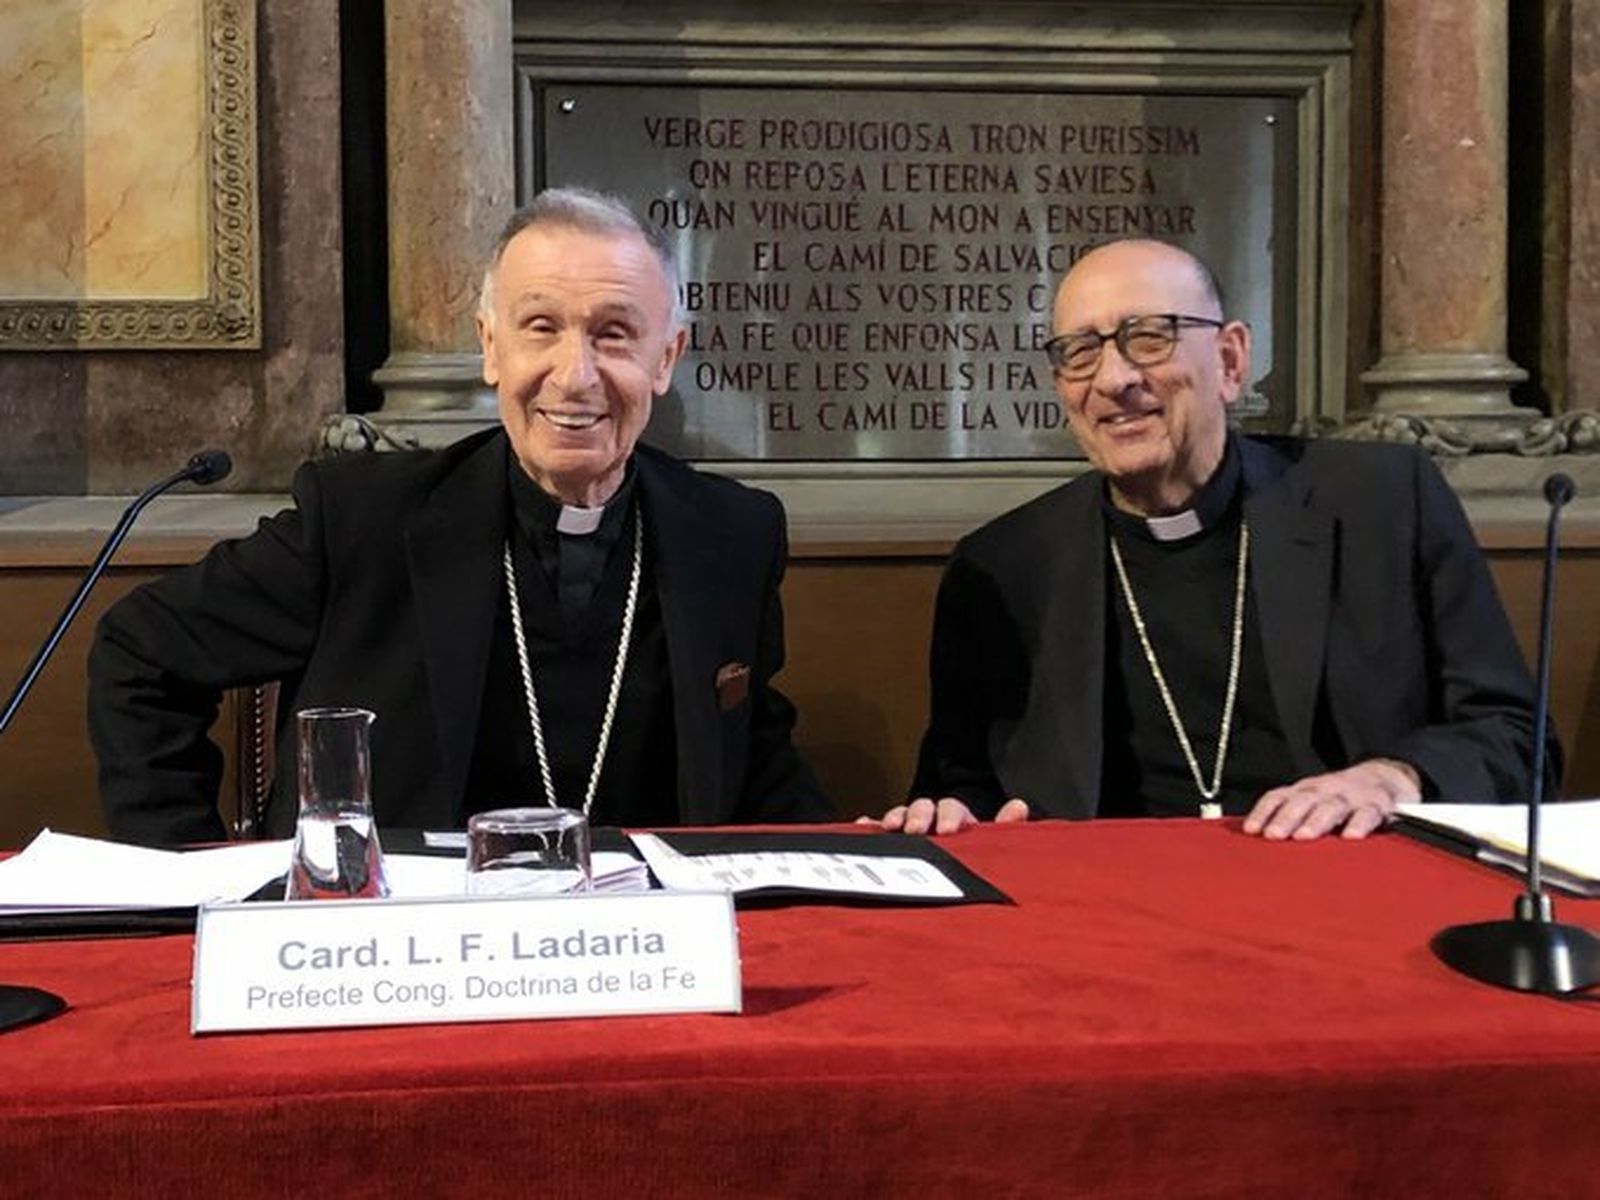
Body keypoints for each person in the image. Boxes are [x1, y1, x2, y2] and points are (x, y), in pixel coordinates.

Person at [90, 187, 830, 845]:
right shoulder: (362, 521)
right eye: (540, 327)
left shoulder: (731, 533)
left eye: (613, 334)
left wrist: (873, 842)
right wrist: (182, 874)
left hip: (638, 950)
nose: (575, 376)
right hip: (402, 952)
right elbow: (140, 653)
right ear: (490, 348)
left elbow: (752, 761)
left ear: (665, 359)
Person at [879, 238, 1552, 840]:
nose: (1114, 380)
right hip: (1112, 921)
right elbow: (957, 785)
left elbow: (1519, 739)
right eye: (1079, 353)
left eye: (1150, 337)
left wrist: (1393, 777)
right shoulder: (1003, 565)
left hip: (1346, 888)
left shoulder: (1382, 503)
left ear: (1231, 359)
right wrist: (950, 815)